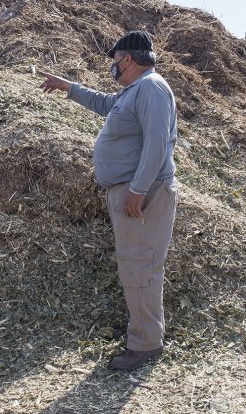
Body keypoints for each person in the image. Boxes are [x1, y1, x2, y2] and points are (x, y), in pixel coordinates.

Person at [40, 31, 178, 371]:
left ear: (128, 59)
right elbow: (106, 103)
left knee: (140, 264)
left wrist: (138, 189)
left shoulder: (152, 88)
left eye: (115, 60)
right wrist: (69, 87)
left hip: (143, 194)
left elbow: (157, 143)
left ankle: (145, 343)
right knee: (135, 264)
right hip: (132, 190)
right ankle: (142, 328)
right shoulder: (136, 90)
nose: (113, 67)